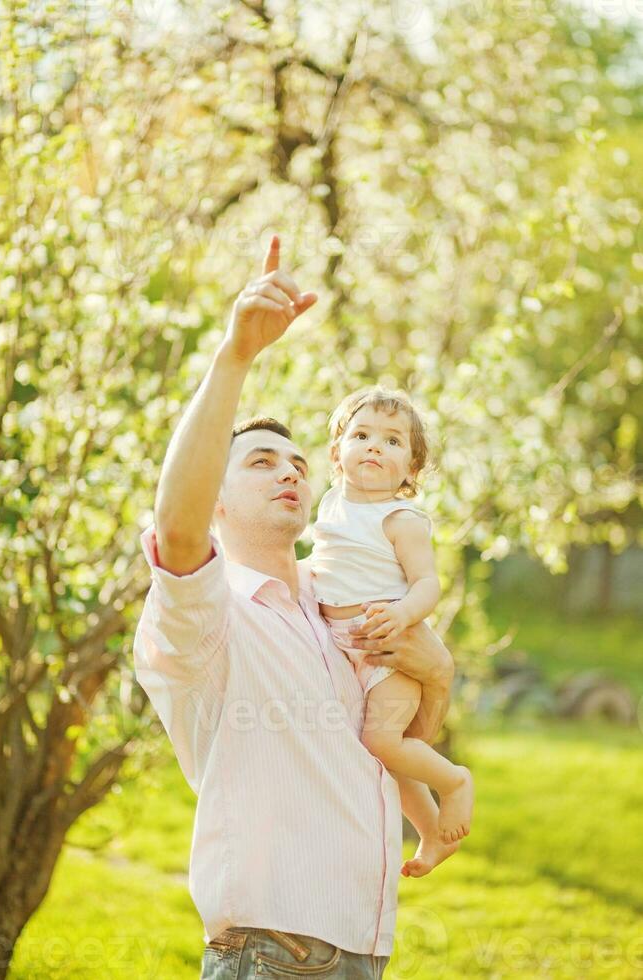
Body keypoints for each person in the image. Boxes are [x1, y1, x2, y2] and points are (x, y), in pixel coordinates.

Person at [133, 233, 458, 980]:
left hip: (363, 946)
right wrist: (235, 356)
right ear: (215, 500)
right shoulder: (209, 618)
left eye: (298, 464)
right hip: (271, 954)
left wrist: (435, 677)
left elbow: (396, 741)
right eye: (259, 461)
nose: (289, 472)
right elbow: (177, 528)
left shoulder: (340, 608)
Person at [311, 387, 473, 843]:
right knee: (390, 754)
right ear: (336, 454)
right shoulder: (328, 504)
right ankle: (430, 833)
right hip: (346, 645)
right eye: (361, 435)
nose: (375, 446)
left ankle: (455, 781)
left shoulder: (401, 519)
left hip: (390, 650)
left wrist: (402, 615)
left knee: (383, 744)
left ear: (411, 469)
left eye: (393, 441)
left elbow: (427, 583)